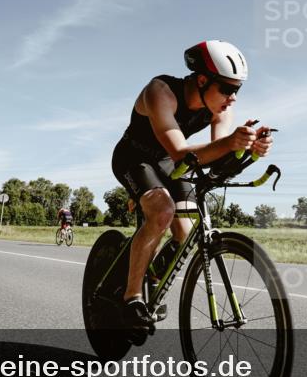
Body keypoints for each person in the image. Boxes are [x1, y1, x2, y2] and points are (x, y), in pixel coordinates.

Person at [111, 40, 273, 330]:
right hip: (135, 158)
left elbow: (214, 155)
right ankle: (131, 299)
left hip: (172, 165)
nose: (233, 97)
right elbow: (180, 152)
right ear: (202, 79)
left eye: (238, 89)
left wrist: (248, 150)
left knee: (185, 232)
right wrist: (229, 143)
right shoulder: (160, 92)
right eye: (227, 88)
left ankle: (152, 277)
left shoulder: (220, 109)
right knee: (162, 212)